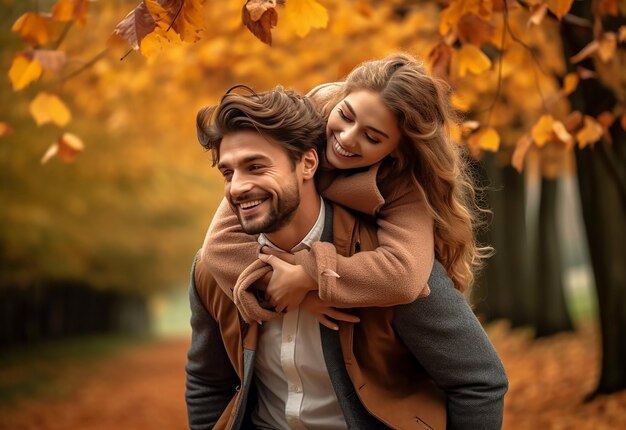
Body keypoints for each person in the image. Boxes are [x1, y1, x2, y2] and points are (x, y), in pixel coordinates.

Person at [186, 86, 508, 429]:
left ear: (308, 162)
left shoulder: (390, 265)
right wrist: (286, 285)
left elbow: (479, 381)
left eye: (256, 166)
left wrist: (312, 278)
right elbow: (208, 383)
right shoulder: (214, 270)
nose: (237, 187)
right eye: (227, 172)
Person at [200, 53, 488, 327]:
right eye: (346, 116)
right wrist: (300, 293)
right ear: (340, 99)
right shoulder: (308, 118)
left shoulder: (403, 180)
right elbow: (219, 246)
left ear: (396, 151)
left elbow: (404, 276)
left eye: (372, 137)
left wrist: (308, 276)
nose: (347, 138)